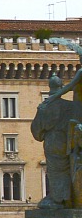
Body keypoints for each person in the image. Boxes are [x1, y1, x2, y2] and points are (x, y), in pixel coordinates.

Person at [32, 71, 82, 209]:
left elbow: (36, 131)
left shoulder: (44, 107)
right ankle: (69, 198)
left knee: (55, 171)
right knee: (68, 170)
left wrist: (43, 134)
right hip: (68, 141)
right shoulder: (71, 106)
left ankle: (58, 200)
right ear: (61, 87)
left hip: (52, 141)